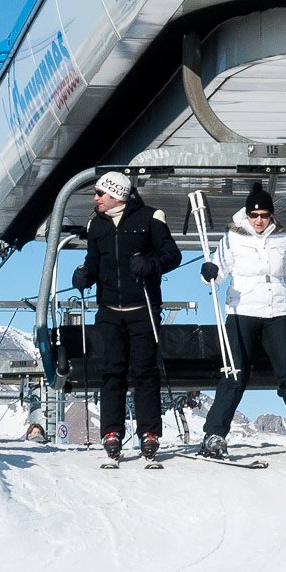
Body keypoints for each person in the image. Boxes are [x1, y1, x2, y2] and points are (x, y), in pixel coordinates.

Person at [197, 183, 286, 462]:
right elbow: (216, 274)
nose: (259, 220)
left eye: (264, 215)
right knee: (234, 372)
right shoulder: (233, 238)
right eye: (255, 215)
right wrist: (209, 273)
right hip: (243, 309)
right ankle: (214, 434)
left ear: (272, 215)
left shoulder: (281, 239)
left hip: (277, 310)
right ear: (247, 214)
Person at [70, 172, 181, 463]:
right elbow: (93, 263)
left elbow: (173, 255)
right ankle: (112, 432)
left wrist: (151, 263)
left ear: (116, 195)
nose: (95, 198)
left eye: (99, 193)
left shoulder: (150, 218)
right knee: (112, 371)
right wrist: (83, 276)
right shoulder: (97, 224)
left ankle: (149, 432)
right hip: (109, 310)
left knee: (144, 370)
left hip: (142, 309)